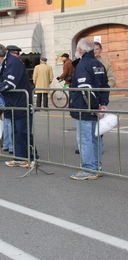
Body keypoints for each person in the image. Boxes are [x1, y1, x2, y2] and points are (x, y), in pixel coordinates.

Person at [0, 44, 38, 168]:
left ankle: (32, 158)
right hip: (11, 103)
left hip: (21, 102)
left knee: (23, 131)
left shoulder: (14, 63)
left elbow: (10, 84)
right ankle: (19, 158)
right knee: (15, 132)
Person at [69, 38, 109, 180]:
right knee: (96, 138)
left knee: (87, 139)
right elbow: (105, 86)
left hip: (85, 109)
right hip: (96, 107)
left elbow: (85, 89)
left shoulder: (83, 65)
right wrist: (103, 103)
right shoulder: (99, 64)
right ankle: (96, 166)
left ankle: (88, 169)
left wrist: (93, 107)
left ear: (80, 50)